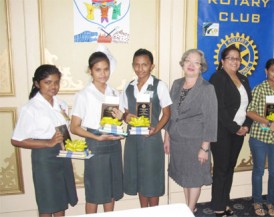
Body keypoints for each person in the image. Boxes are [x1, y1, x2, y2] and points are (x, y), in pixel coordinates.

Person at [11, 64, 78, 217]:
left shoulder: (60, 103)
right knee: (47, 204)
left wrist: (71, 146)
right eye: (48, 82)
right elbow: (16, 140)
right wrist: (48, 143)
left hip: (62, 155)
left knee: (61, 201)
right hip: (44, 158)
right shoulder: (31, 108)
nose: (53, 86)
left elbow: (63, 130)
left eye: (56, 82)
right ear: (37, 83)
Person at [164, 49, 218, 213]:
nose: (192, 65)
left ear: (201, 67)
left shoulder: (207, 88)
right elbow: (171, 113)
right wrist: (167, 136)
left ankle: (189, 209)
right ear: (183, 63)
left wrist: (204, 147)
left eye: (196, 62)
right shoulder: (176, 84)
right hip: (177, 140)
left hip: (196, 141)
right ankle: (190, 207)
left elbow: (211, 119)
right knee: (185, 176)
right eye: (188, 60)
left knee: (194, 178)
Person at [70, 51, 123, 214]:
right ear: (90, 70)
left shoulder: (114, 93)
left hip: (113, 142)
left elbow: (117, 121)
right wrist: (96, 137)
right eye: (98, 70)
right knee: (95, 192)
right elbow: (74, 127)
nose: (103, 74)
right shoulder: (83, 95)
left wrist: (121, 120)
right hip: (95, 143)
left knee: (111, 190)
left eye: (106, 69)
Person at [118, 48, 171, 207]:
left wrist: (157, 129)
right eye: (136, 65)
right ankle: (143, 211)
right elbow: (124, 111)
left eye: (144, 65)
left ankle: (153, 211)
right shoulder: (128, 86)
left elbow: (167, 113)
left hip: (151, 139)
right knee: (140, 178)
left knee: (152, 180)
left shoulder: (159, 85)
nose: (140, 69)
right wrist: (126, 117)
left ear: (152, 66)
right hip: (133, 139)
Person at [209, 44, 252, 217]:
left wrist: (246, 126)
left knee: (230, 167)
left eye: (238, 58)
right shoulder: (218, 77)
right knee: (221, 168)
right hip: (222, 131)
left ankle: (224, 200)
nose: (235, 61)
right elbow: (219, 108)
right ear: (222, 61)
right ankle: (218, 206)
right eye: (231, 58)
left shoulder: (244, 78)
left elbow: (249, 105)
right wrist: (235, 128)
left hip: (239, 131)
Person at [246, 59, 274, 217]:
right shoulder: (259, 89)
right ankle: (257, 201)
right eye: (273, 70)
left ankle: (270, 201)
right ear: (266, 71)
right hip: (259, 138)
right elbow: (249, 112)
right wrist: (269, 122)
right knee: (259, 171)